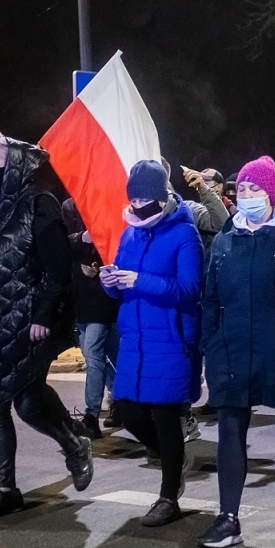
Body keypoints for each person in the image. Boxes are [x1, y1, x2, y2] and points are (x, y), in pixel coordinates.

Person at [0, 134, 94, 520]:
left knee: (18, 402)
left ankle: (64, 451)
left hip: (25, 322)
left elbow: (57, 268)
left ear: (14, 164)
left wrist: (44, 314)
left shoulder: (38, 204)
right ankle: (0, 475)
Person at [197, 156, 275, 548]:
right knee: (231, 427)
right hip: (232, 348)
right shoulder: (226, 238)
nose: (247, 195)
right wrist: (211, 344)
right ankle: (228, 518)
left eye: (256, 189)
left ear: (272, 193)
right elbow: (211, 295)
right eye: (244, 189)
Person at [101, 159, 204, 528]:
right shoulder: (130, 232)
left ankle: (167, 496)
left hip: (171, 338)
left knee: (164, 416)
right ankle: (175, 462)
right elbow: (120, 284)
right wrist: (110, 281)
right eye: (134, 196)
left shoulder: (183, 234)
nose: (139, 204)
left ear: (162, 197)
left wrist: (139, 280)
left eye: (146, 196)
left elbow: (191, 290)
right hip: (135, 340)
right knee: (127, 411)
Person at [60, 199, 120, 439]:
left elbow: (120, 240)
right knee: (98, 353)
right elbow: (60, 244)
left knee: (100, 353)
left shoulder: (109, 200)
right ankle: (112, 403)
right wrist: (82, 239)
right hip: (84, 296)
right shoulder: (69, 207)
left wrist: (103, 266)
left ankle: (96, 413)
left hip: (109, 292)